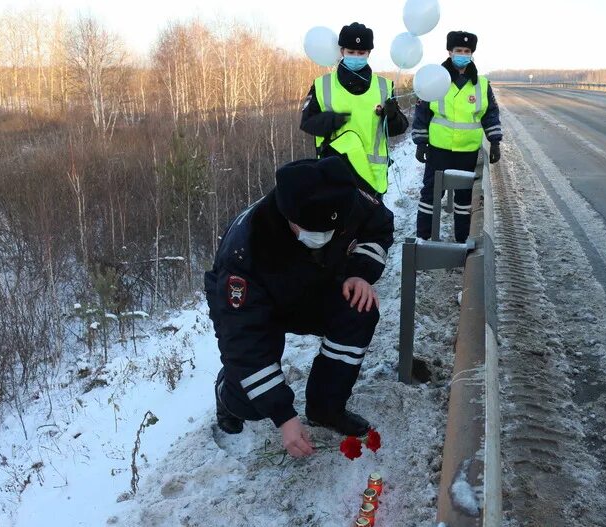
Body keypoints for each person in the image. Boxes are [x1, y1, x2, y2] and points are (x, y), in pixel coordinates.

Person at [204, 157, 394, 459]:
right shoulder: (246, 250)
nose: (320, 238)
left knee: (359, 309)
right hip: (258, 305)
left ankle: (325, 408)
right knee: (252, 398)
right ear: (287, 214)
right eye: (308, 230)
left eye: (331, 231)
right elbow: (244, 340)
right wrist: (284, 417)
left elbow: (379, 226)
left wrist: (360, 272)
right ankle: (227, 393)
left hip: (315, 286)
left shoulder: (347, 199)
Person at [300, 22, 409, 199]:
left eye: (361, 53)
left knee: (371, 227)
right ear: (342, 51)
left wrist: (392, 116)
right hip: (335, 174)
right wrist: (331, 120)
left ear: (368, 54)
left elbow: (400, 127)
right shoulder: (322, 85)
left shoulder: (384, 86)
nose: (356, 57)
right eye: (351, 52)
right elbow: (307, 123)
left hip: (371, 178)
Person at [412, 30, 503, 242]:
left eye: (467, 51)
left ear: (472, 54)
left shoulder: (481, 84)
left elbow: (490, 114)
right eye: (458, 50)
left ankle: (463, 242)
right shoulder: (435, 79)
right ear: (449, 52)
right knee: (430, 195)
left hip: (467, 152)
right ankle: (423, 240)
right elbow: (422, 112)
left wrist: (495, 141)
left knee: (464, 200)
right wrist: (420, 142)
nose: (463, 54)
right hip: (438, 150)